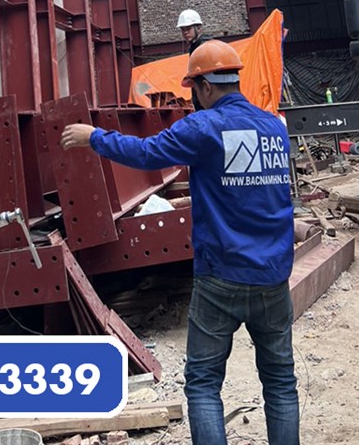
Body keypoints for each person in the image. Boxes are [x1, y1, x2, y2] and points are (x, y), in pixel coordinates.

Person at [60, 40, 299, 445]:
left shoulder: (203, 127)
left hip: (221, 277)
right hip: (273, 276)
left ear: (203, 86)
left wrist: (94, 137)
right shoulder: (274, 126)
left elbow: (146, 153)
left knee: (203, 383)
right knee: (280, 382)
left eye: (194, 90)